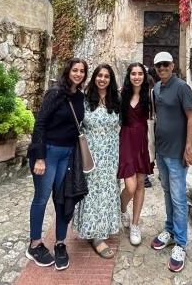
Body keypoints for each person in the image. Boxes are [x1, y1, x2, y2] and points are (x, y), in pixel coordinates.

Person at [26, 58, 88, 271]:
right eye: (75, 70)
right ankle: (34, 244)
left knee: (62, 199)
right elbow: (40, 124)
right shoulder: (55, 93)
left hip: (67, 154)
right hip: (49, 153)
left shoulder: (80, 97)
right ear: (68, 71)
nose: (78, 74)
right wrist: (40, 157)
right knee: (41, 199)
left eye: (82, 71)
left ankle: (60, 243)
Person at [150, 51, 192, 273]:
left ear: (173, 65)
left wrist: (188, 147)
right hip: (162, 152)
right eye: (158, 66)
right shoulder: (156, 89)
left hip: (177, 154)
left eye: (165, 65)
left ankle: (180, 243)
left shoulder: (182, 87)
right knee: (167, 193)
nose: (162, 69)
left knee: (178, 198)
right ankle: (169, 230)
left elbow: (191, 117)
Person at [73, 64, 121, 259]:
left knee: (108, 192)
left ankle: (104, 227)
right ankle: (95, 236)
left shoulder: (115, 100)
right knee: (93, 193)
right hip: (91, 155)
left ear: (111, 80)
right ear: (94, 78)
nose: (102, 79)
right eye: (99, 75)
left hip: (111, 155)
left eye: (106, 76)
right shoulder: (84, 100)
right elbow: (76, 125)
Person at [118, 63, 153, 245]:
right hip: (126, 141)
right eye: (134, 73)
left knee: (140, 184)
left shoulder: (150, 95)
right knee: (130, 187)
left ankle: (135, 224)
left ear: (144, 76)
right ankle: (122, 207)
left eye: (140, 73)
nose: (137, 77)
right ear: (129, 76)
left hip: (142, 143)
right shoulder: (121, 94)